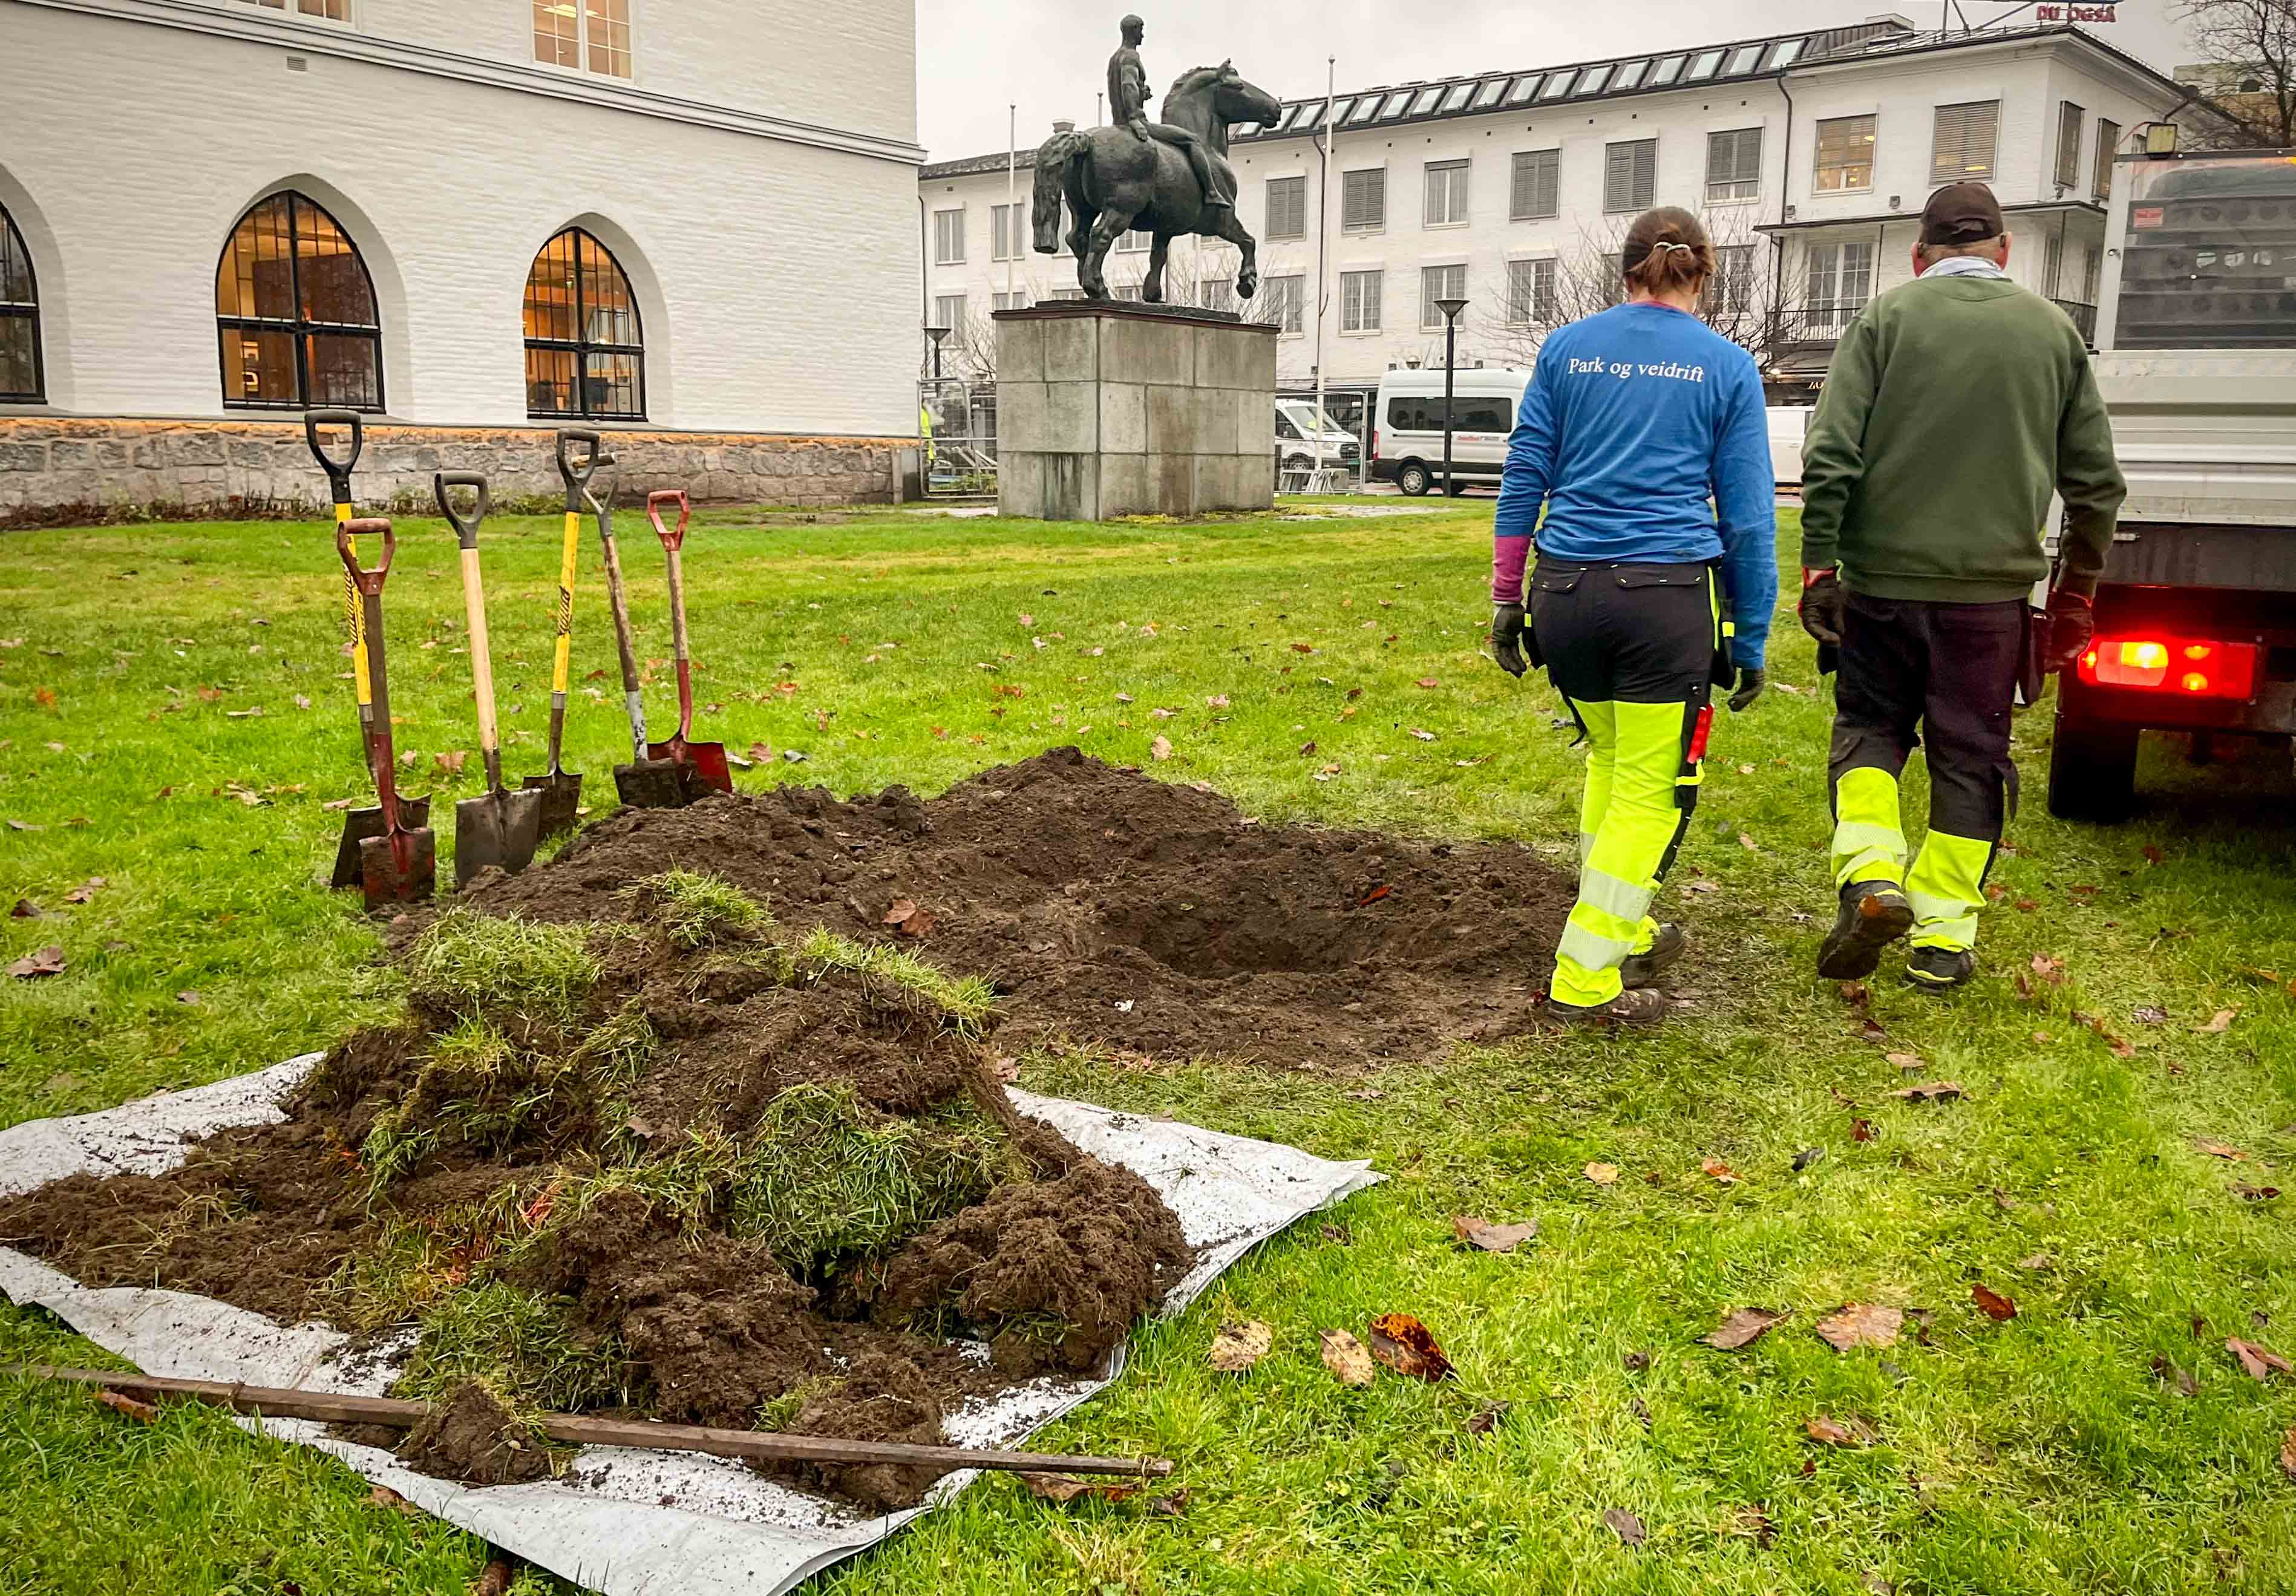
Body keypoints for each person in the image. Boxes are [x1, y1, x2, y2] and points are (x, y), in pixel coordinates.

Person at [1798, 180, 2125, 990]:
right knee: (1970, 757)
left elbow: (1828, 455)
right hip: (1990, 603)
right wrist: (2075, 591)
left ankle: (1871, 875)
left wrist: (1819, 565)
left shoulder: (1883, 321)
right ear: (2003, 251)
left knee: (1869, 730)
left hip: (1879, 587)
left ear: (1918, 256)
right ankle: (1942, 941)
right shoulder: (2052, 333)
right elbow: (2095, 486)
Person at [1489, 206, 1776, 1028]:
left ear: (1624, 270)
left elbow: (1522, 481)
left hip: (1566, 595)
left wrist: (1506, 598)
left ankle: (1626, 928)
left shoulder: (1564, 350)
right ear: (1702, 276)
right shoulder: (1724, 366)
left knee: (1610, 766)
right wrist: (1749, 634)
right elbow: (1749, 519)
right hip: (1663, 601)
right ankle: (1584, 974)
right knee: (1651, 792)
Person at [1105, 14, 1234, 219]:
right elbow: (1127, 85)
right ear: (1134, 30)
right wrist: (1134, 117)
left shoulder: (1115, 58)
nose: (1143, 35)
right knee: (1192, 140)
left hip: (1118, 120)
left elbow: (1126, 87)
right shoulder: (1130, 56)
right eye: (1141, 30)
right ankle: (1211, 192)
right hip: (1136, 122)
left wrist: (1142, 93)